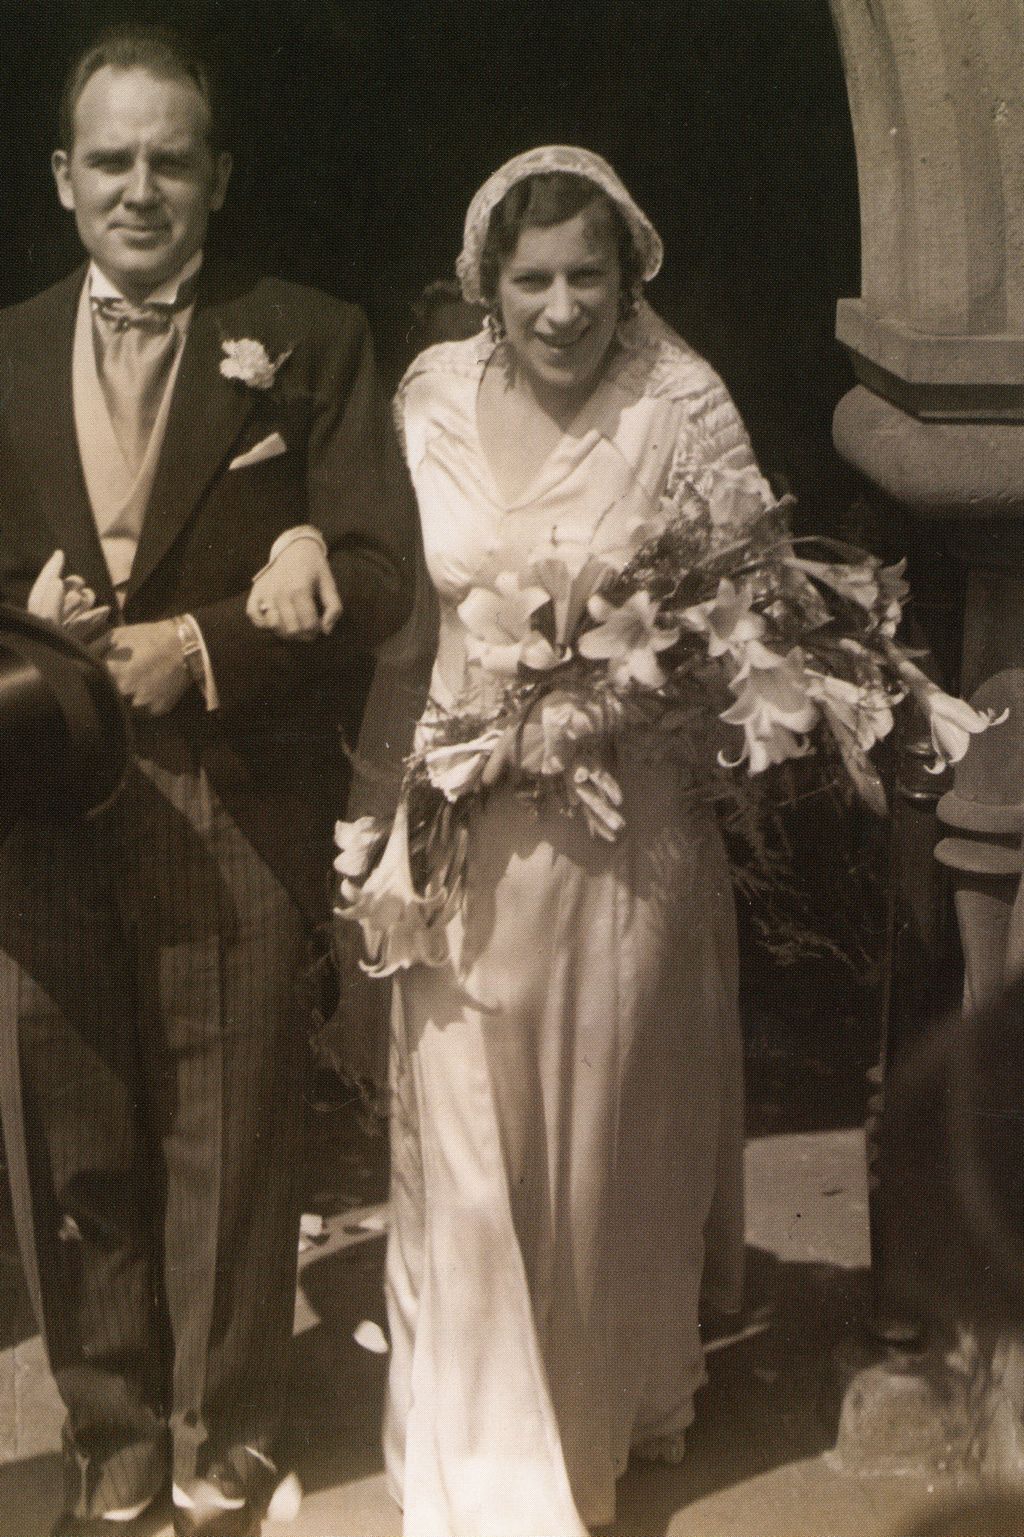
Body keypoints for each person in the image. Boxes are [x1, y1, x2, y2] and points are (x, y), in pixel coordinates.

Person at [252, 145, 760, 1536]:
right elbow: (381, 575)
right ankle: (486, 1461)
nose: (559, 307)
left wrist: (609, 699)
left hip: (617, 830)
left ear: (628, 274)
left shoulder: (680, 407)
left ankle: (586, 1408)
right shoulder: (426, 397)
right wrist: (386, 798)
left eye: (586, 275)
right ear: (486, 283)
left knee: (591, 1137)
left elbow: (748, 611)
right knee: (464, 1132)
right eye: (530, 278)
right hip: (461, 807)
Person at [0, 25, 415, 1537]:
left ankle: (222, 1436)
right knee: (76, 1130)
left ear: (218, 174)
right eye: (111, 159)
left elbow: (378, 572)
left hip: (233, 795)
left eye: (173, 158)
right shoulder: (0, 346)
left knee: (231, 1141)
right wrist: (28, 613)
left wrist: (216, 637)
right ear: (63, 178)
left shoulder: (309, 338)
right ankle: (108, 1434)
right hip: (41, 806)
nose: (143, 187)